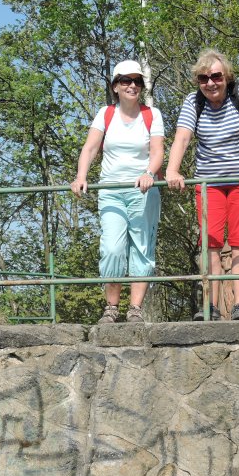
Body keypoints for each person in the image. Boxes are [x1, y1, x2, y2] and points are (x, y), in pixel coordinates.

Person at [165, 49, 239, 321]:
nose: (210, 83)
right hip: (209, 183)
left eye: (216, 76)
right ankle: (211, 306)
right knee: (210, 244)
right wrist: (172, 169)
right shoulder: (193, 101)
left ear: (227, 77)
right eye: (203, 78)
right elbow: (182, 138)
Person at [71, 60, 165, 324]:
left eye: (137, 81)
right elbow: (90, 148)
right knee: (112, 248)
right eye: (125, 80)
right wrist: (80, 177)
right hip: (111, 190)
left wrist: (149, 173)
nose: (132, 85)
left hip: (143, 191)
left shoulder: (152, 114)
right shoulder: (105, 114)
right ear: (115, 86)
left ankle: (135, 309)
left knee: (142, 248)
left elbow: (158, 150)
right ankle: (111, 307)